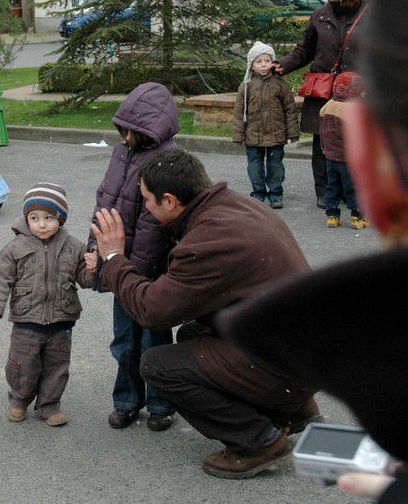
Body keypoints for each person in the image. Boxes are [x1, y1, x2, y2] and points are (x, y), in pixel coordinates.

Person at [216, 0, 408, 503]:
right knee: (319, 168)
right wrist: (288, 69)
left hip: (351, 100)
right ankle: (328, 196)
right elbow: (305, 50)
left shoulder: (307, 339)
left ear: (372, 160)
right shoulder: (320, 17)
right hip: (327, 94)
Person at [89, 148, 321, 479]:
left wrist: (113, 258)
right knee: (191, 334)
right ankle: (296, 410)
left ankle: (261, 442)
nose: (146, 209)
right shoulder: (233, 205)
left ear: (169, 201)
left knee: (157, 366)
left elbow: (151, 310)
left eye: (147, 201)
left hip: (289, 362)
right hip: (307, 349)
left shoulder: (208, 242)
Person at [85, 82, 179, 432]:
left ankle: (160, 403)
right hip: (119, 264)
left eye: (131, 129)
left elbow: (155, 227)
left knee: (154, 340)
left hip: (151, 275)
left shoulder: (166, 161)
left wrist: (128, 270)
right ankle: (126, 400)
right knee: (124, 341)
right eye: (122, 128)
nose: (125, 135)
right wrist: (97, 251)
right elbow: (105, 203)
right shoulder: (121, 152)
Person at [0, 183, 94, 426]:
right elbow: (0, 277)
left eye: (49, 218)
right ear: (26, 218)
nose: (41, 224)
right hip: (26, 321)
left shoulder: (74, 247)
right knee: (23, 365)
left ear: (60, 218)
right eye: (34, 218)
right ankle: (19, 399)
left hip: (61, 320)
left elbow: (85, 278)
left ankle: (49, 405)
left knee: (57, 367)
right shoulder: (15, 247)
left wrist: (94, 267)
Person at [272, 0, 368, 208]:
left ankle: (351, 191)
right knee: (323, 141)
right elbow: (305, 49)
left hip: (358, 91)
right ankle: (324, 191)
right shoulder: (320, 15)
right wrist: (282, 65)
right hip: (324, 91)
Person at [232, 41, 299, 207]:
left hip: (276, 134)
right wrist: (238, 134)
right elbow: (239, 112)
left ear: (272, 63)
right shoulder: (246, 86)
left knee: (275, 165)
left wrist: (292, 132)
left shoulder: (281, 84)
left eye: (267, 61)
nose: (263, 64)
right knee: (254, 166)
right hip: (253, 134)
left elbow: (290, 109)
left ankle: (276, 193)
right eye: (259, 61)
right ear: (252, 65)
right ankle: (258, 192)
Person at [319, 71, 367, 229]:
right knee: (353, 187)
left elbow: (322, 131)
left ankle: (332, 215)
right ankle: (357, 216)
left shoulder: (328, 106)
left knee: (332, 186)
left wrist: (324, 147)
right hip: (348, 159)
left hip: (330, 157)